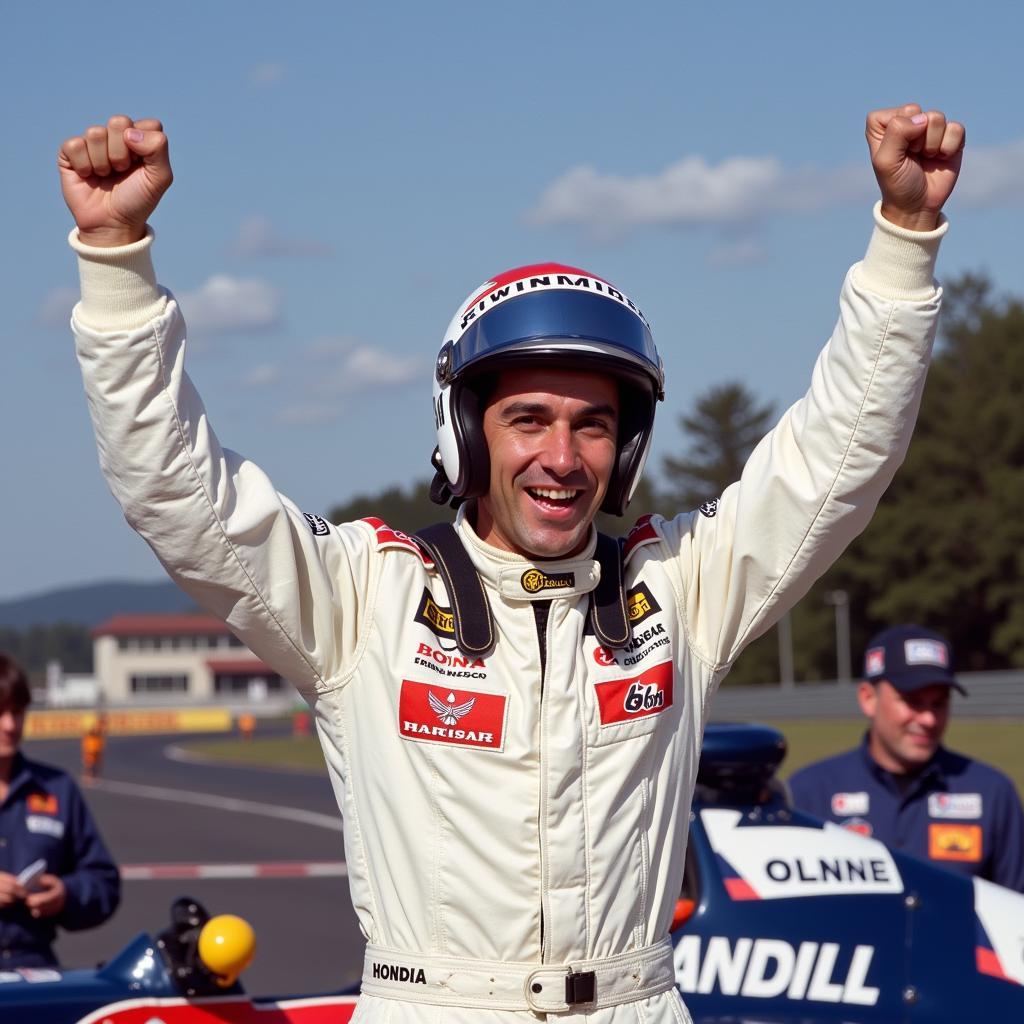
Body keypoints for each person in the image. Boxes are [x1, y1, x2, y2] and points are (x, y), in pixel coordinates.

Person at [59, 105, 962, 1022]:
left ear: (628, 447)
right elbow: (173, 489)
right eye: (528, 419)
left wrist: (905, 241)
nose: (562, 459)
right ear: (465, 433)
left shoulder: (677, 590)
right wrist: (114, 255)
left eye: (593, 425)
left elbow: (838, 464)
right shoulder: (364, 596)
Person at [789, 625, 1024, 891]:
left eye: (939, 703)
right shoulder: (809, 793)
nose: (929, 719)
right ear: (868, 699)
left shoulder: (993, 793)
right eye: (912, 701)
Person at [0, 654, 120, 967]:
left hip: (33, 968)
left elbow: (103, 882)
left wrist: (66, 894)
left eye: (17, 712)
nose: (10, 725)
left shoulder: (57, 787)